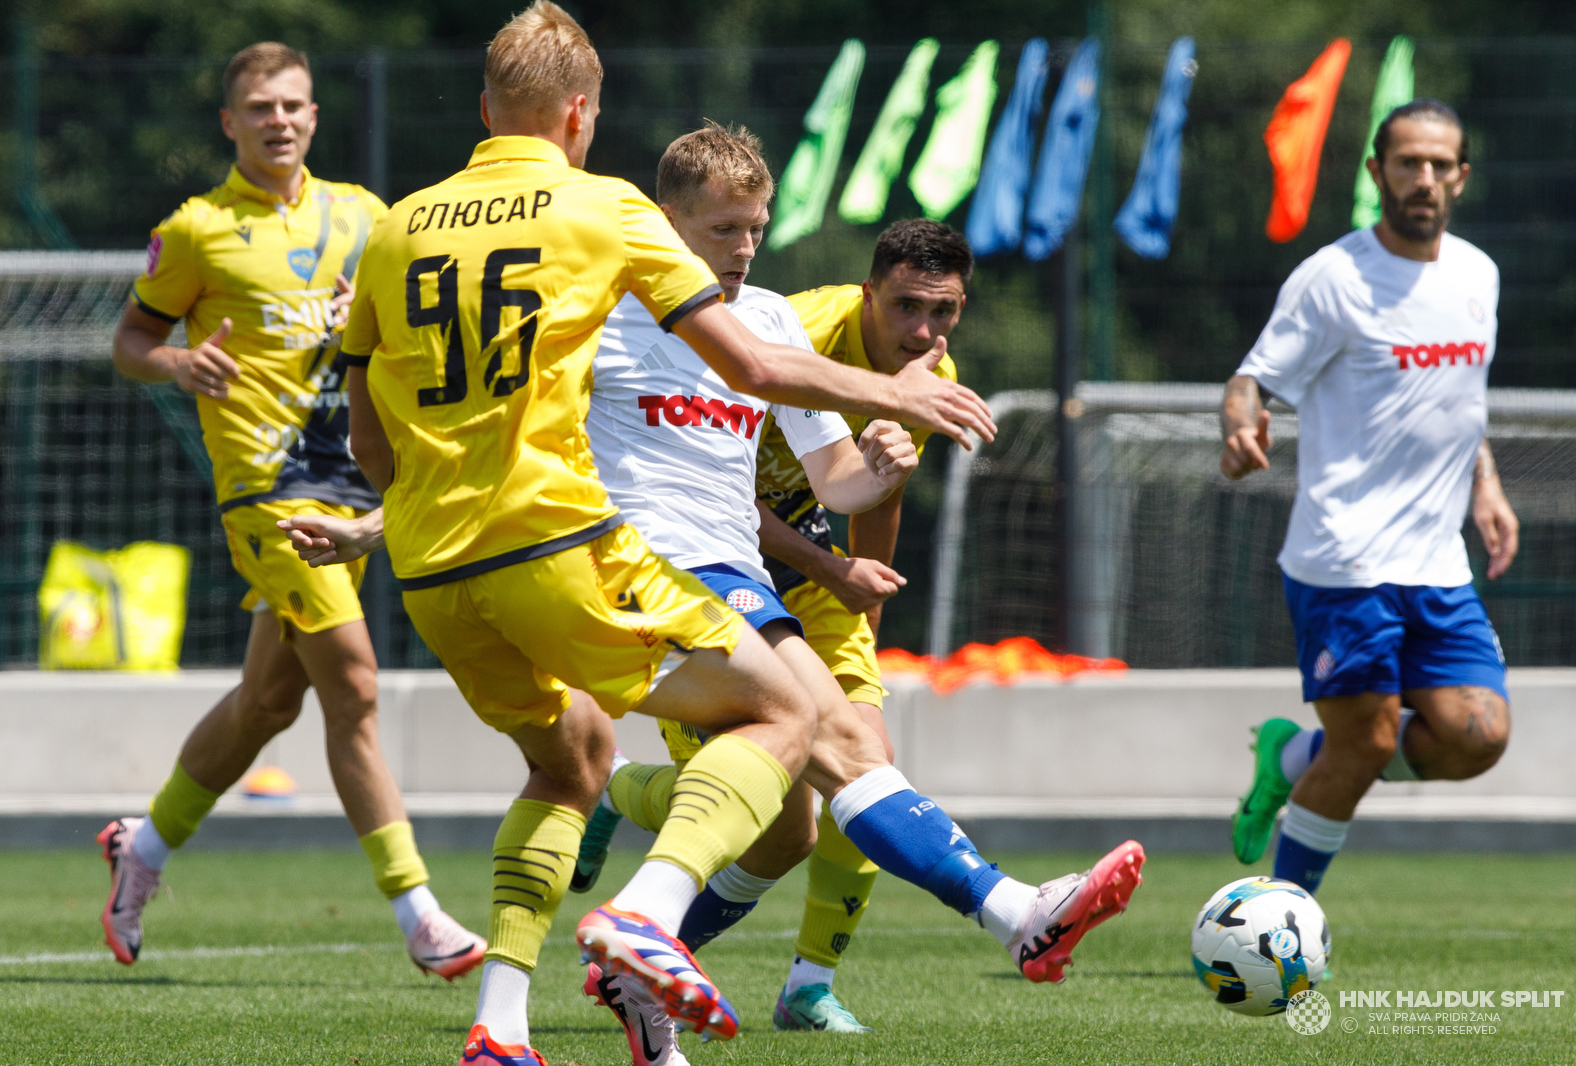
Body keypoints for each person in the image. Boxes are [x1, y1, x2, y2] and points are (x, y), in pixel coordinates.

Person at [279, 6, 997, 1065]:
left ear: (484, 108)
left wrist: (384, 527)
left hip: (436, 570)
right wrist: (899, 397)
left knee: (566, 760)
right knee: (788, 716)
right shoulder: (604, 209)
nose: (744, 248)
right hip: (559, 546)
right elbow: (750, 368)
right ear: (581, 113)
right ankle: (648, 916)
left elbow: (373, 433)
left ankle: (502, 1026)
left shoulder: (394, 226)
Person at [537, 124, 1144, 1059]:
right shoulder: (601, 309)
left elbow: (837, 488)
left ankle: (638, 953)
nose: (743, 249)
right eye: (723, 229)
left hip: (736, 575)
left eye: (756, 228)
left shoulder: (767, 317)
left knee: (790, 820)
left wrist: (880, 462)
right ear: (667, 222)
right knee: (835, 731)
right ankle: (1012, 913)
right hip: (648, 573)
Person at [103, 41, 484, 979]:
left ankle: (139, 851)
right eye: (261, 107)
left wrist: (377, 310)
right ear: (230, 122)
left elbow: (410, 322)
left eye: (295, 105)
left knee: (269, 700)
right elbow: (130, 339)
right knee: (352, 686)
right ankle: (421, 916)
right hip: (265, 492)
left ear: (315, 117)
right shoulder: (195, 231)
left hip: (356, 483)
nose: (280, 120)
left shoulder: (366, 216)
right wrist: (177, 363)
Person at [578, 218, 978, 1034]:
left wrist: (865, 595)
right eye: (906, 309)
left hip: (821, 584)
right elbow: (717, 490)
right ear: (866, 295)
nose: (924, 333)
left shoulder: (932, 374)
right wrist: (833, 565)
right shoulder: (780, 327)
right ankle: (615, 797)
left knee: (867, 764)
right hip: (714, 566)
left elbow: (875, 488)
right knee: (779, 826)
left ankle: (806, 986)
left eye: (944, 314)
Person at [1222, 100, 1516, 894]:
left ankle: (1288, 757)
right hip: (1345, 558)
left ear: (1461, 176)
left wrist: (1485, 487)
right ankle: (1279, 927)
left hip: (1436, 561)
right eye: (1407, 162)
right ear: (1377, 172)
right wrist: (1240, 427)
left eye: (1439, 165)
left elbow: (1459, 404)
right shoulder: (1334, 278)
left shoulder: (1477, 274)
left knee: (1477, 736)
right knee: (1366, 741)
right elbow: (1254, 380)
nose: (1423, 179)